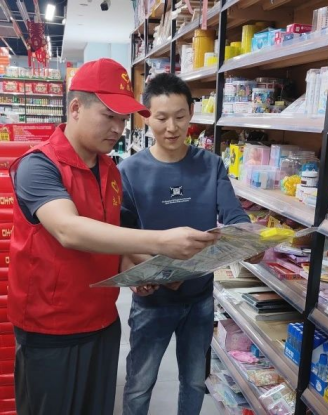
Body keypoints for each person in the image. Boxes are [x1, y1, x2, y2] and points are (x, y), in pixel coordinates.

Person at [8, 59, 219, 415]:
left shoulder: (109, 169)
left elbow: (108, 235)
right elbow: (69, 230)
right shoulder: (38, 166)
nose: (118, 128)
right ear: (76, 108)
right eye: (109, 116)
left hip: (103, 321)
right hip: (51, 329)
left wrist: (138, 268)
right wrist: (159, 241)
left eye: (123, 119)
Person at [120, 73, 252, 415]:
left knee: (194, 381)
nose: (171, 128)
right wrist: (145, 270)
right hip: (151, 300)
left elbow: (234, 214)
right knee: (139, 385)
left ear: (192, 113)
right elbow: (122, 234)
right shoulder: (129, 171)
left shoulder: (211, 165)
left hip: (199, 299)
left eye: (180, 117)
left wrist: (250, 240)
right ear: (146, 117)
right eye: (161, 118)